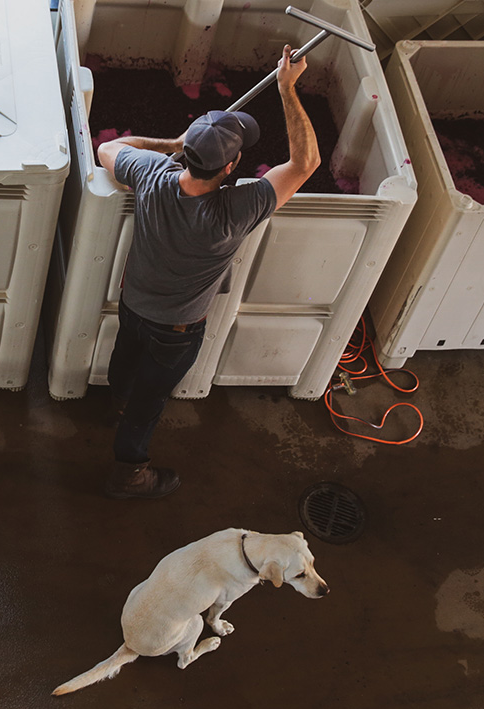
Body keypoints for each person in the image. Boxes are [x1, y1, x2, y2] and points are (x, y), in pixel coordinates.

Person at [96, 45, 322, 499]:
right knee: (150, 403)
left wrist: (173, 145)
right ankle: (128, 474)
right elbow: (304, 164)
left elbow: (108, 148)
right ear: (232, 165)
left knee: (125, 362)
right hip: (176, 329)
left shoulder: (152, 175)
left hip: (134, 306)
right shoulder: (238, 208)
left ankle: (116, 402)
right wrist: (286, 87)